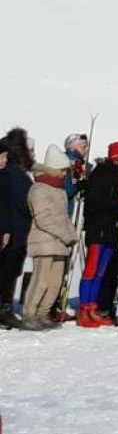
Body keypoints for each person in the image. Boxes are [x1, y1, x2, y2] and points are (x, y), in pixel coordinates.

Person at [75, 141, 118, 327]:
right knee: (91, 270)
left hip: (112, 230)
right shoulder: (101, 173)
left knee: (101, 271)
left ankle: (93, 307)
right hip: (98, 230)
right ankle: (84, 308)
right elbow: (93, 204)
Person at [18, 146, 75, 330]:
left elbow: (63, 217)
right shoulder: (39, 189)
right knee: (41, 279)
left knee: (55, 282)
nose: (65, 173)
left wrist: (71, 235)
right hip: (44, 241)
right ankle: (29, 314)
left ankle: (43, 313)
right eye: (63, 170)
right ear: (54, 169)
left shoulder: (59, 190)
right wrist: (65, 234)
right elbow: (44, 219)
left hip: (59, 242)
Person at [0, 129, 33, 328]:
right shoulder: (13, 173)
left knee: (10, 271)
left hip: (14, 229)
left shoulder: (11, 172)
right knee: (7, 271)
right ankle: (4, 310)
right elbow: (17, 202)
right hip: (13, 230)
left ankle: (5, 308)